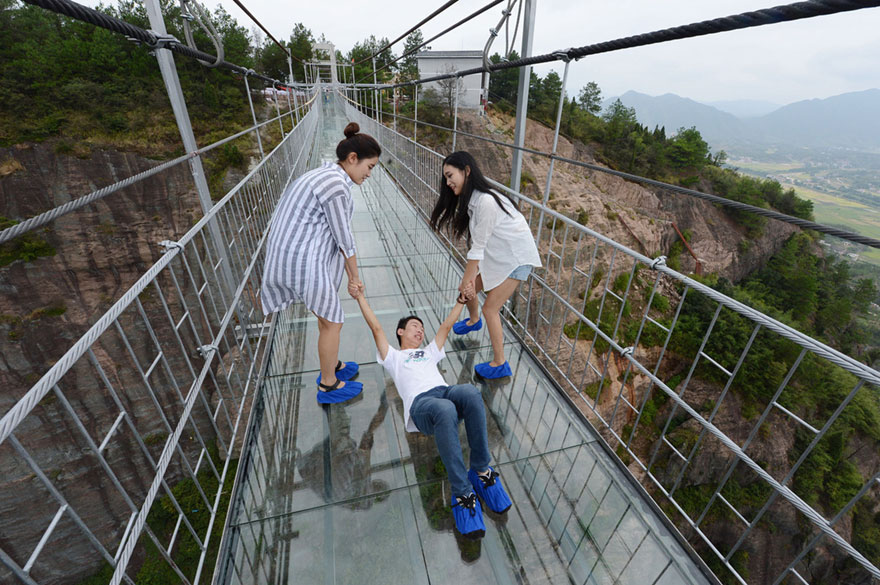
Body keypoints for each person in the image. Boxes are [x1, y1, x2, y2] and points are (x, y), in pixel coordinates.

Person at [353, 288, 513, 540]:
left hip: (444, 392)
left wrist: (461, 302)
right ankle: (462, 492)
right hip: (422, 406)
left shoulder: (428, 352)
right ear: (400, 332)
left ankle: (481, 472)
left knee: (470, 393)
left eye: (421, 328)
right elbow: (376, 328)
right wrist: (361, 296)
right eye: (414, 326)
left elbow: (445, 328)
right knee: (445, 408)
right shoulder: (393, 356)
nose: (419, 330)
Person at [261, 122, 380, 404]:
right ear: (353, 159)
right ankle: (328, 384)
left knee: (326, 317)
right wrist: (355, 277)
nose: (370, 174)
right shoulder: (336, 186)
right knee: (333, 321)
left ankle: (333, 364)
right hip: (302, 260)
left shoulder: (326, 174)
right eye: (370, 166)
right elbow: (344, 238)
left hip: (292, 254)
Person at [430, 151, 541, 379]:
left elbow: (478, 247)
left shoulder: (486, 201)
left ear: (467, 171)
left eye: (451, 176)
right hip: (500, 255)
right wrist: (468, 280)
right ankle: (473, 321)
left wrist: (467, 279)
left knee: (490, 307)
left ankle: (500, 363)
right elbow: (480, 245)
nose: (448, 183)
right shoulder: (475, 200)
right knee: (468, 287)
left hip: (516, 259)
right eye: (446, 179)